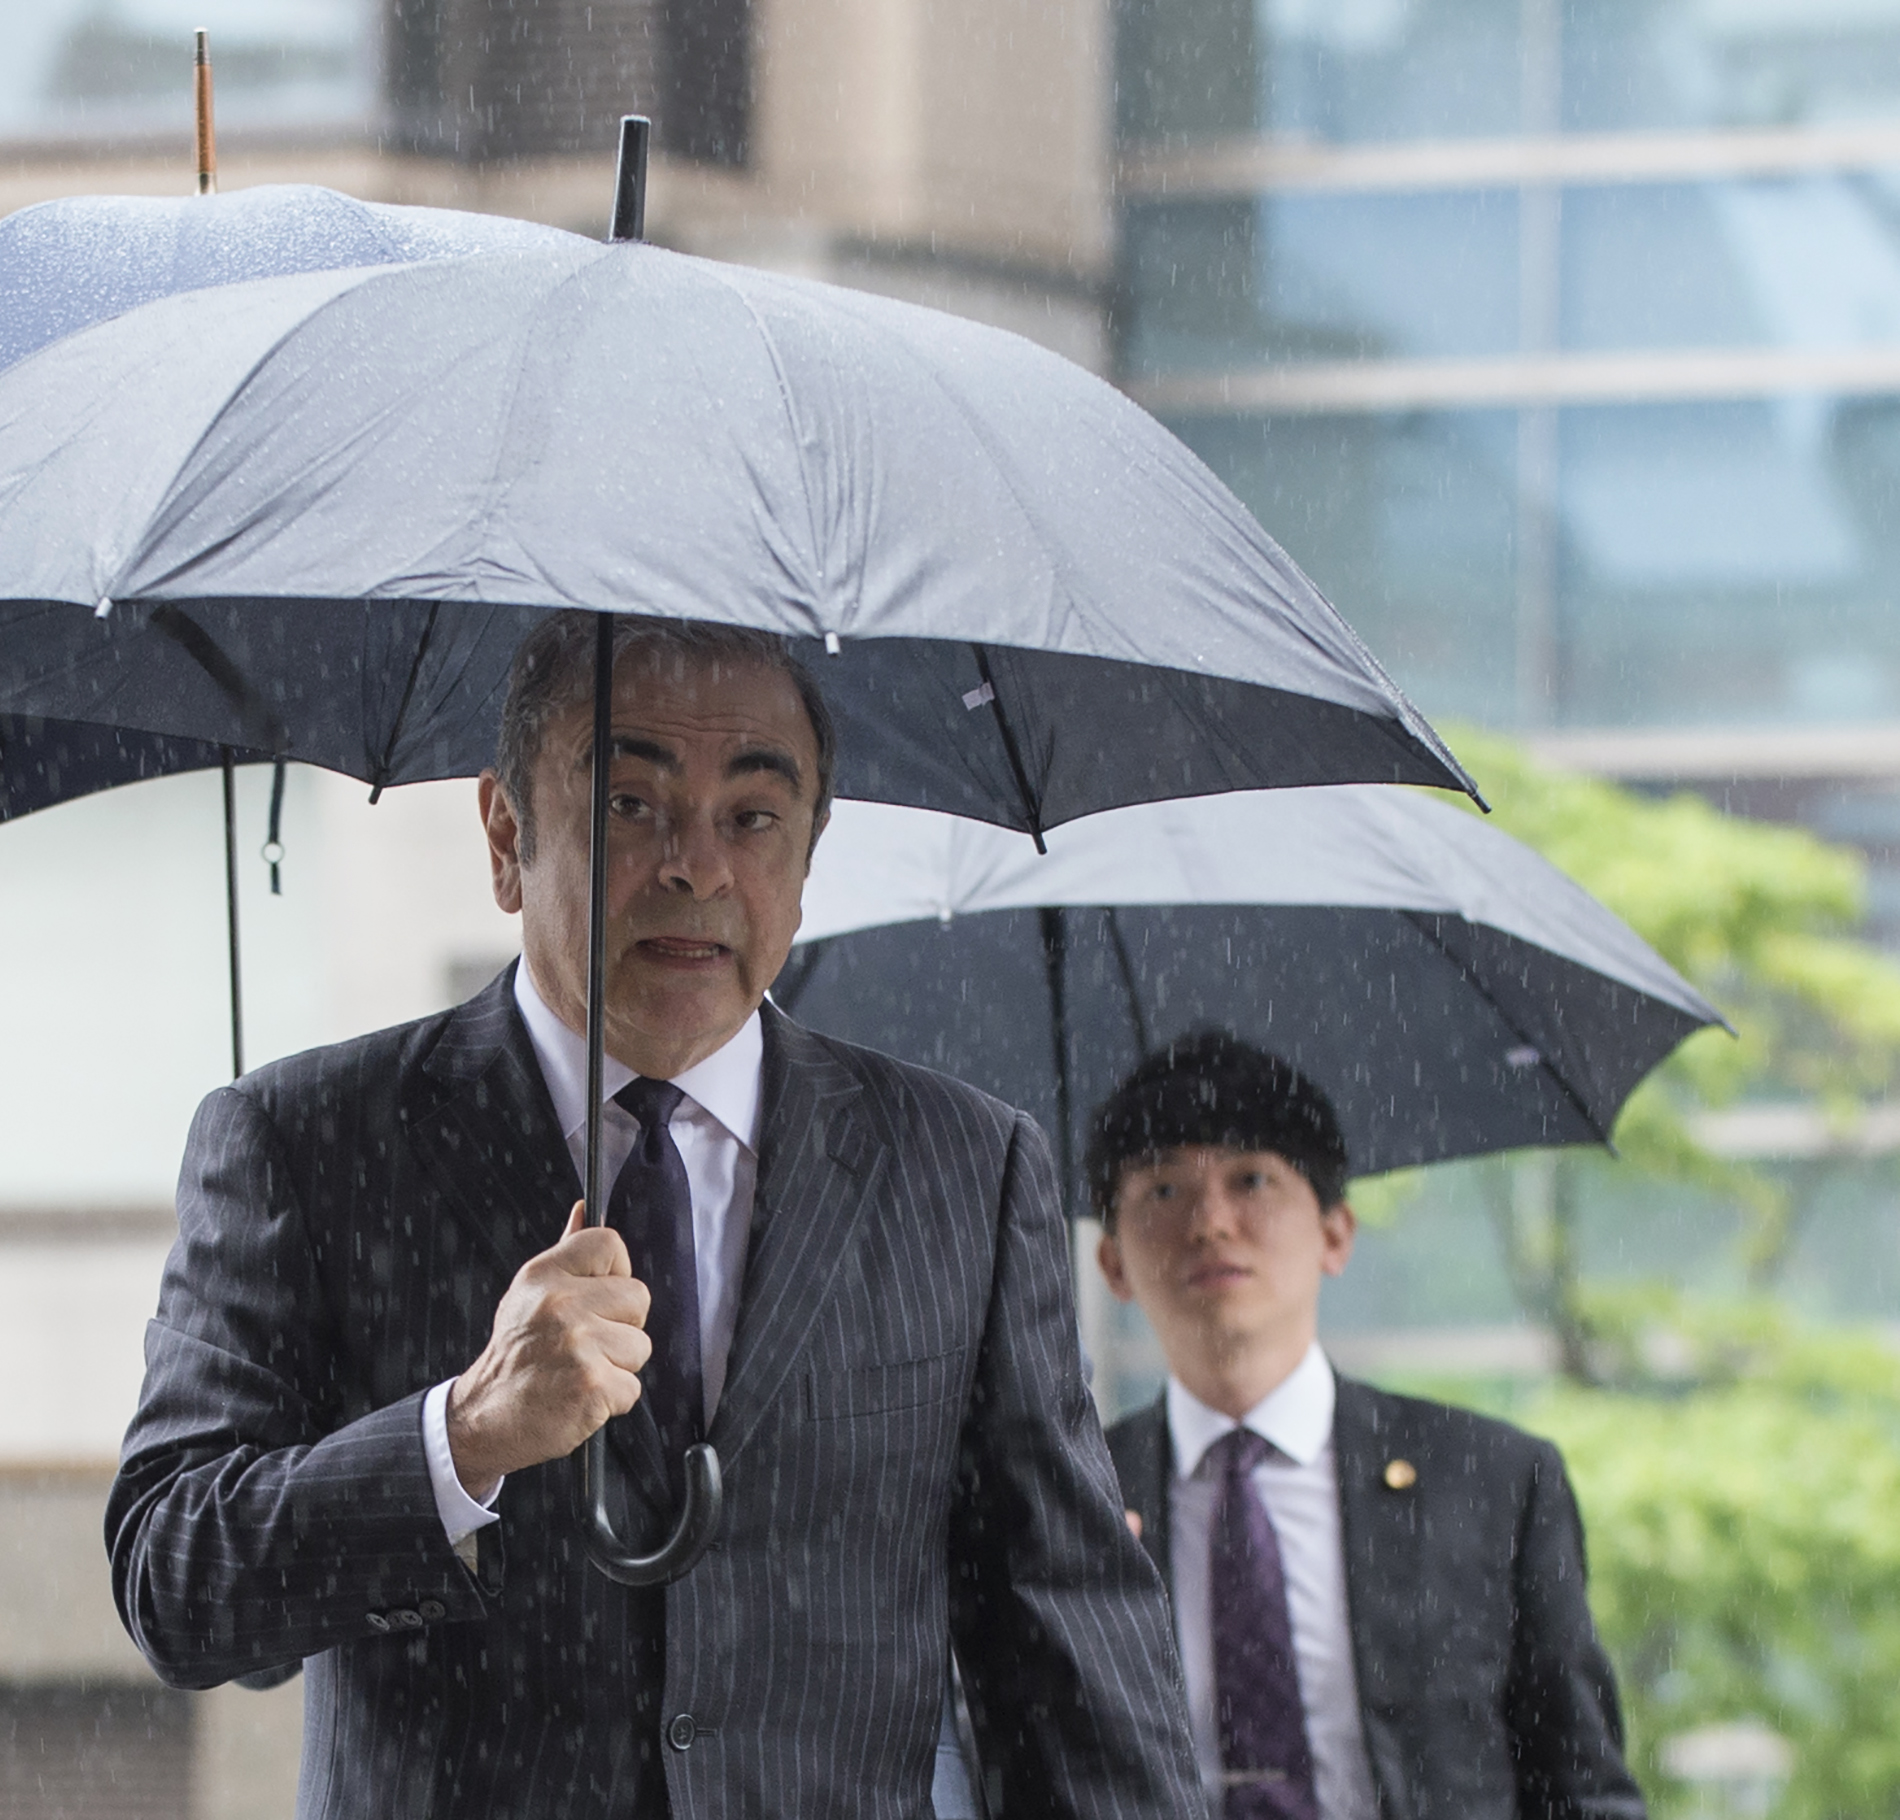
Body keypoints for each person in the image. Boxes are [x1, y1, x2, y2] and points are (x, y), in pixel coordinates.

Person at [106, 612, 1207, 1820]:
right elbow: (174, 1579)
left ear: (806, 853)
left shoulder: (961, 1166)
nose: (694, 865)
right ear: (505, 833)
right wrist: (460, 1434)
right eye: (631, 804)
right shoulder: (306, 1142)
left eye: (751, 815)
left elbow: (1068, 1647)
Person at [1086, 1033, 1646, 1820]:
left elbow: (1583, 1786)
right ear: (1111, 1264)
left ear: (1336, 1233)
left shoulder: (1491, 1483)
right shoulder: (1074, 1501)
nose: (1211, 1223)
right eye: (1164, 1192)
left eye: (1252, 1180)